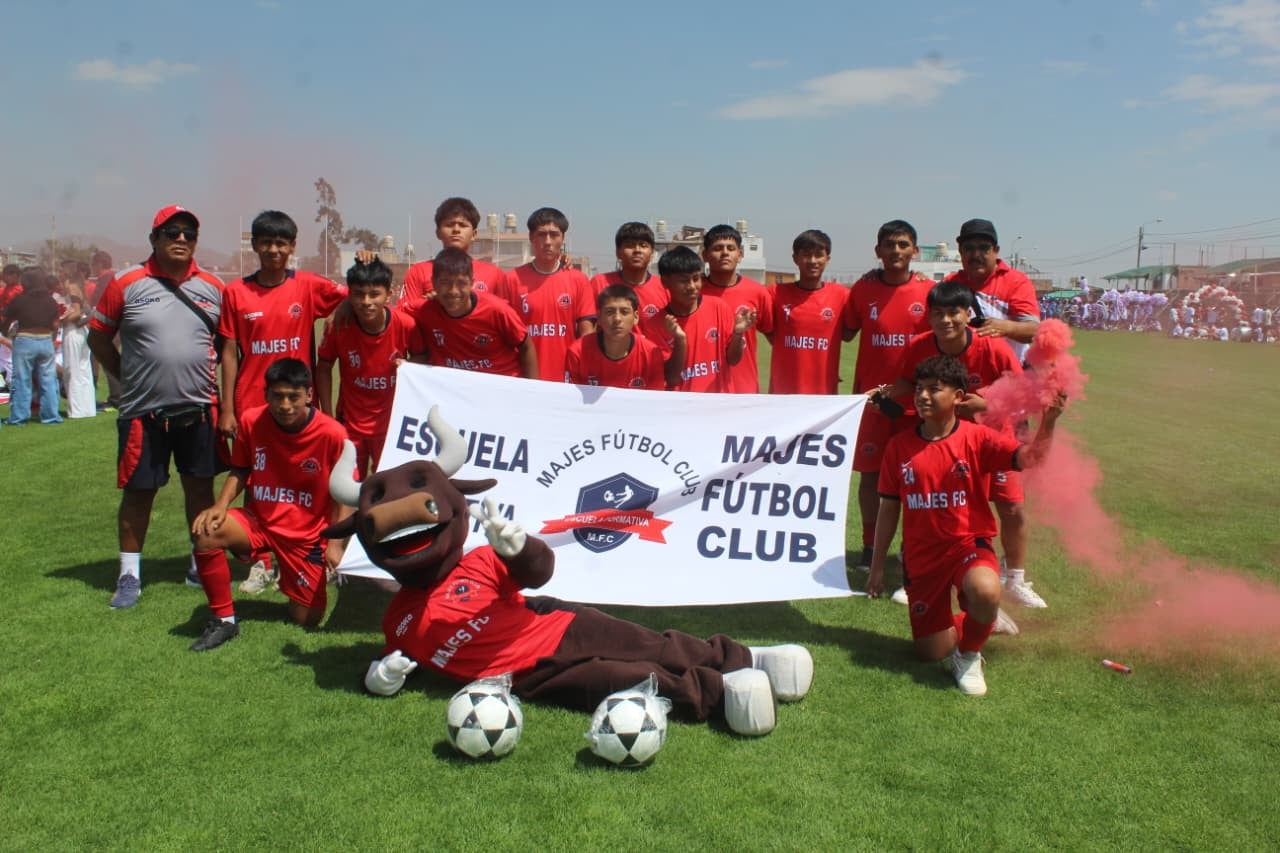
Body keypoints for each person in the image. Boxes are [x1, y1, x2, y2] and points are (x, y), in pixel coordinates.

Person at [866, 355, 1064, 696]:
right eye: (920, 390)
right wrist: (877, 567)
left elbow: (1032, 458)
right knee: (930, 652)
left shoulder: (978, 439)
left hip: (967, 546)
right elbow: (888, 509)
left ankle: (970, 653)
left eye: (934, 390)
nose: (923, 397)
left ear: (959, 397)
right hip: (922, 557)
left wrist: (1049, 420)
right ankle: (983, 622)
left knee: (986, 589)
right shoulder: (899, 447)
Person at [87, 205, 225, 610]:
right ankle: (129, 575)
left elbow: (224, 345)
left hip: (199, 409)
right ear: (155, 239)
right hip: (142, 413)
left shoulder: (214, 287)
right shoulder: (126, 283)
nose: (180, 239)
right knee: (138, 493)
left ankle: (200, 563)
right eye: (171, 232)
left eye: (188, 234)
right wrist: (124, 378)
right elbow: (98, 337)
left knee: (199, 488)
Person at [881, 281, 1043, 609]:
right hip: (943, 440)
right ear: (929, 317)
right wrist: (880, 394)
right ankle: (915, 575)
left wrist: (982, 405)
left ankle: (1014, 579)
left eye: (954, 312)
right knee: (929, 505)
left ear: (967, 314)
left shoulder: (992, 348)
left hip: (992, 438)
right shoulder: (920, 346)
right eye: (938, 313)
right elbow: (907, 383)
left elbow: (1021, 392)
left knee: (1010, 506)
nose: (946, 320)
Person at [218, 210, 346, 594]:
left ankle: (316, 551)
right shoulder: (236, 292)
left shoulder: (307, 285)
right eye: (266, 242)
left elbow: (352, 297)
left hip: (297, 405)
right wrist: (227, 408)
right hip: (252, 405)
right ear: (254, 245)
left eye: (281, 243)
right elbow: (228, 350)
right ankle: (261, 562)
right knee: (258, 484)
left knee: (307, 480)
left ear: (292, 246)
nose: (273, 250)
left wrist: (368, 265)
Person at [189, 358, 350, 651]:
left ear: (309, 396)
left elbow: (346, 493)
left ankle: (293, 580)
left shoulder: (333, 434)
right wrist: (220, 505)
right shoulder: (252, 421)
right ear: (266, 395)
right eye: (277, 396)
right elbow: (240, 469)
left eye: (293, 397)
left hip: (306, 536)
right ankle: (224, 620)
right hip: (259, 521)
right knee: (206, 531)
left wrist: (336, 544)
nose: (285, 405)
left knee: (307, 619)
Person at [843, 220, 933, 570]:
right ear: (877, 251)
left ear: (914, 250)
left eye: (903, 244)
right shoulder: (863, 290)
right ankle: (869, 546)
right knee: (869, 476)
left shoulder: (927, 292)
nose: (896, 250)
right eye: (889, 245)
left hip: (915, 402)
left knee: (916, 477)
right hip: (873, 402)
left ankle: (911, 549)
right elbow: (847, 331)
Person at [316, 258, 426, 478]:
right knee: (346, 487)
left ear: (388, 294)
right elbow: (324, 366)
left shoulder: (406, 325)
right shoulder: (339, 326)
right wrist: (327, 415)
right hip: (349, 424)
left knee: (386, 490)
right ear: (349, 295)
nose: (366, 301)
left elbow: (423, 357)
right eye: (358, 294)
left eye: (374, 294)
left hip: (391, 425)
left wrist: (410, 367)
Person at [494, 207, 594, 381]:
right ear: (531, 238)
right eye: (541, 234)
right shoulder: (511, 280)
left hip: (566, 377)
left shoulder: (578, 280)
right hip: (524, 377)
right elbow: (503, 333)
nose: (547, 241)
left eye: (554, 235)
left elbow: (586, 335)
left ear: (562, 238)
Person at [638, 246, 750, 392]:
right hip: (682, 410)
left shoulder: (718, 307)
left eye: (696, 278)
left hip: (719, 407)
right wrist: (680, 340)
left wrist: (738, 333)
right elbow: (671, 378)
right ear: (665, 282)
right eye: (683, 281)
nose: (692, 286)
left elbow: (733, 360)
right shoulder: (655, 325)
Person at [414, 248, 537, 378]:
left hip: (501, 386)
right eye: (444, 282)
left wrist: (532, 390)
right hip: (456, 388)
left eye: (461, 283)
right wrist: (403, 365)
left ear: (472, 283)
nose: (453, 291)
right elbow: (395, 318)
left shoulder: (497, 310)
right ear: (433, 282)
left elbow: (526, 346)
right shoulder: (424, 311)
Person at [943, 219, 1039, 364]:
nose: (976, 255)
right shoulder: (950, 283)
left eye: (984, 248)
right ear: (960, 252)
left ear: (996, 250)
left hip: (1007, 377)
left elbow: (1033, 331)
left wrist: (1006, 327)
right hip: (962, 375)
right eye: (968, 248)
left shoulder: (1016, 281)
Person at [391, 197, 507, 316]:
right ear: (438, 232)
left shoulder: (494, 274)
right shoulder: (418, 271)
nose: (456, 230)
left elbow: (504, 316)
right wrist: (431, 302)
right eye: (449, 224)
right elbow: (402, 316)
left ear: (474, 234)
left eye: (462, 225)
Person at [767, 229, 850, 395]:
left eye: (819, 255)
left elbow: (849, 334)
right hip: (783, 392)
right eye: (806, 254)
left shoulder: (842, 295)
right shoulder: (775, 293)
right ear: (795, 258)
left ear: (827, 259)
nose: (812, 261)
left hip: (823, 392)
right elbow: (769, 331)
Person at [700, 224, 774, 393]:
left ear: (740, 255)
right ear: (705, 255)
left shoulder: (757, 292)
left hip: (744, 389)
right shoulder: (694, 291)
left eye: (731, 248)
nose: (725, 253)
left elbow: (774, 337)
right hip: (702, 390)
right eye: (718, 248)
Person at [564, 284, 666, 389]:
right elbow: (571, 401)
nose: (617, 318)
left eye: (624, 312)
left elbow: (654, 402)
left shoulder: (651, 353)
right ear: (598, 317)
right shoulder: (577, 352)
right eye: (609, 312)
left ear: (636, 317)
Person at [3, 268, 63, 425]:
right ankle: (51, 416)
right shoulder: (50, 301)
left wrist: (5, 332)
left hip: (25, 339)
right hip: (45, 339)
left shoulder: (20, 299)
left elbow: (7, 319)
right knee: (48, 380)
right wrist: (53, 339)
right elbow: (56, 324)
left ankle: (18, 417)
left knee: (21, 380)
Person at [588, 221, 668, 321]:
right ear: (618, 252)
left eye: (643, 245)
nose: (637, 250)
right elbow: (589, 327)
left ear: (652, 253)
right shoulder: (599, 283)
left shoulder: (665, 287)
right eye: (630, 245)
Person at [60, 271, 97, 418]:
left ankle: (75, 410)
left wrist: (60, 319)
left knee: (72, 370)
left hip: (73, 331)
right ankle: (88, 408)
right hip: (83, 332)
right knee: (84, 370)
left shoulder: (72, 289)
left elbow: (75, 313)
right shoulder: (82, 291)